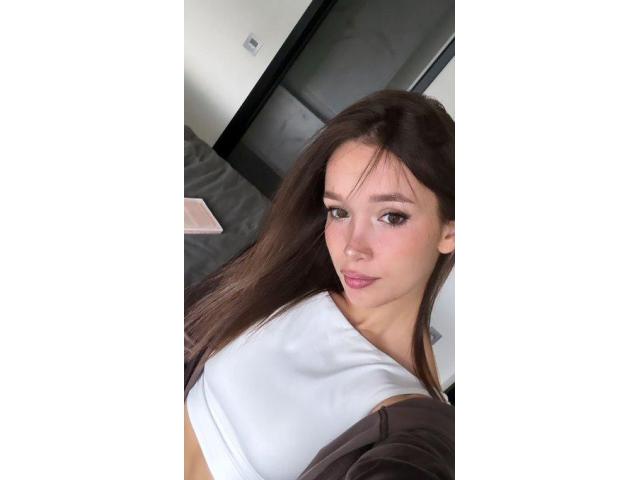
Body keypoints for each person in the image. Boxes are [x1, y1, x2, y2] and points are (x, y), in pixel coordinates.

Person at [184, 90, 455, 480]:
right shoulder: (290, 283)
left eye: (391, 216)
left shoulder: (413, 426)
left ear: (450, 231)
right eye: (339, 212)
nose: (352, 247)